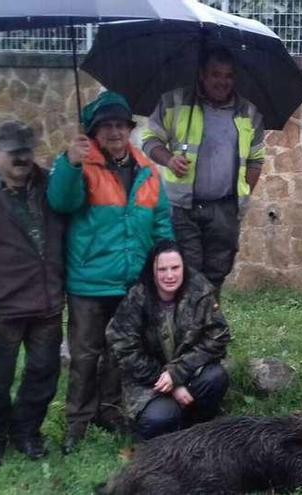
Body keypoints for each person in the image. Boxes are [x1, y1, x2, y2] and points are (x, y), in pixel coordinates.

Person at [47, 91, 173, 453]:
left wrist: (164, 258)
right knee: (85, 355)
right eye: (107, 126)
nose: (116, 132)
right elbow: (60, 201)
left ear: (130, 130)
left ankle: (110, 410)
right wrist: (71, 163)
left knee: (121, 352)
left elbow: (161, 221)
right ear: (95, 132)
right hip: (89, 283)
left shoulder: (147, 171)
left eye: (121, 125)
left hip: (131, 282)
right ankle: (77, 423)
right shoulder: (78, 166)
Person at [0, 121, 66, 472]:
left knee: (43, 373)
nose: (22, 158)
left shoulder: (51, 184)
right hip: (0, 308)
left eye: (26, 150)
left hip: (47, 304)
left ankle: (26, 432)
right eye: (14, 152)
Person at [142, 46, 265, 291]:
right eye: (216, 74)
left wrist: (241, 195)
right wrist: (168, 159)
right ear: (202, 74)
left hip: (224, 210)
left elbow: (255, 160)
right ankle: (186, 326)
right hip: (182, 207)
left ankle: (208, 323)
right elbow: (149, 139)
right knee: (187, 271)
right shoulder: (175, 101)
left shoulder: (249, 112)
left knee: (217, 272)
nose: (223, 82)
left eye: (228, 76)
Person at [106, 240, 231, 440]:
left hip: (188, 371)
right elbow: (123, 348)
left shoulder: (199, 290)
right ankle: (164, 441)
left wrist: (178, 372)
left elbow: (218, 335)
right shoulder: (137, 298)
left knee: (215, 377)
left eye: (175, 267)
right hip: (148, 380)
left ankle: (199, 430)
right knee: (160, 418)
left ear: (184, 267)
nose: (170, 275)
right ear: (152, 272)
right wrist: (169, 382)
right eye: (162, 269)